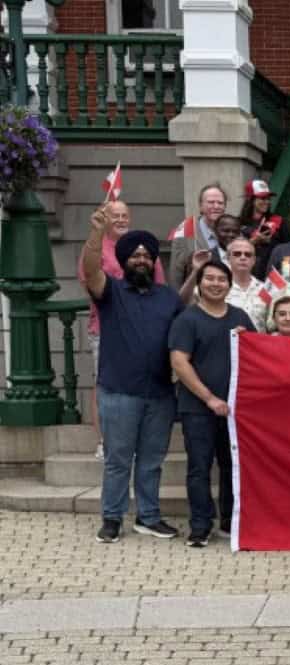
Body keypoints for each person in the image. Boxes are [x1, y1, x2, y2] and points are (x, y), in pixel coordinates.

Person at [79, 210, 183, 543]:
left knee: (152, 460)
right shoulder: (110, 291)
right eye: (134, 254)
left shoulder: (168, 297)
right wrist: (96, 234)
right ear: (124, 261)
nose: (141, 259)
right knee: (118, 460)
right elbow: (90, 270)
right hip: (119, 391)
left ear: (154, 262)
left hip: (160, 393)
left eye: (146, 255)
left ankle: (148, 517)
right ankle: (111, 517)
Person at [168, 260, 256, 548]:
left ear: (229, 285)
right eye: (210, 279)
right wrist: (209, 398)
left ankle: (231, 522)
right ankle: (200, 525)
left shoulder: (240, 317)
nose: (216, 284)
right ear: (199, 283)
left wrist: (249, 342)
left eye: (222, 279)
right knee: (199, 467)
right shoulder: (187, 320)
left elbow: (260, 355)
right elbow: (179, 362)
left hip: (235, 409)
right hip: (197, 408)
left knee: (232, 467)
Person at [76, 200, 167, 460]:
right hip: (105, 326)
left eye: (124, 215)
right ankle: (105, 440)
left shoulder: (142, 248)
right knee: (104, 383)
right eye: (114, 215)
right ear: (104, 218)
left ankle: (135, 438)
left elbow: (158, 285)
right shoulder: (95, 246)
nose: (120, 220)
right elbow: (88, 277)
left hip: (141, 328)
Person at [168, 183, 226, 290]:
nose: (216, 206)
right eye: (210, 202)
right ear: (200, 206)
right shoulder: (184, 235)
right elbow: (175, 276)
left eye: (220, 203)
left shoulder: (231, 232)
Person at [219, 237, 269, 331]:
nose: (243, 257)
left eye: (248, 254)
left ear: (254, 260)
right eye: (237, 254)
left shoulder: (265, 289)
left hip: (257, 344)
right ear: (228, 258)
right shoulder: (217, 288)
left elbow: (271, 325)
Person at [237, 179, 282, 277]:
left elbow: (289, 247)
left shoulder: (279, 220)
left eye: (268, 198)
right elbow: (231, 251)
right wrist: (253, 242)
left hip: (272, 277)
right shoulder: (237, 223)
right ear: (250, 199)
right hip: (246, 276)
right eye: (262, 198)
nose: (267, 202)